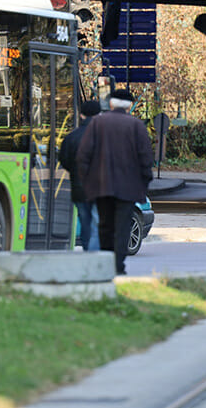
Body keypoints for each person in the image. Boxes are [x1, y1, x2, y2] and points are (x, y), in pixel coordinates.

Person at [77, 89, 153, 275]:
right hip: (128, 189)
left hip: (101, 186)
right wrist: (143, 184)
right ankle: (118, 265)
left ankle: (106, 261)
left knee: (105, 225)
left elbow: (83, 156)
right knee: (122, 227)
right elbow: (146, 159)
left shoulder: (97, 124)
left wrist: (87, 182)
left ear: (111, 103)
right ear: (129, 105)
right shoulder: (136, 126)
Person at [59, 100, 101, 251]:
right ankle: (94, 256)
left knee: (85, 222)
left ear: (81, 115)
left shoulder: (71, 137)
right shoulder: (104, 137)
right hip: (100, 188)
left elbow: (64, 160)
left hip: (79, 188)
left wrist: (75, 172)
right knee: (97, 223)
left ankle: (87, 250)